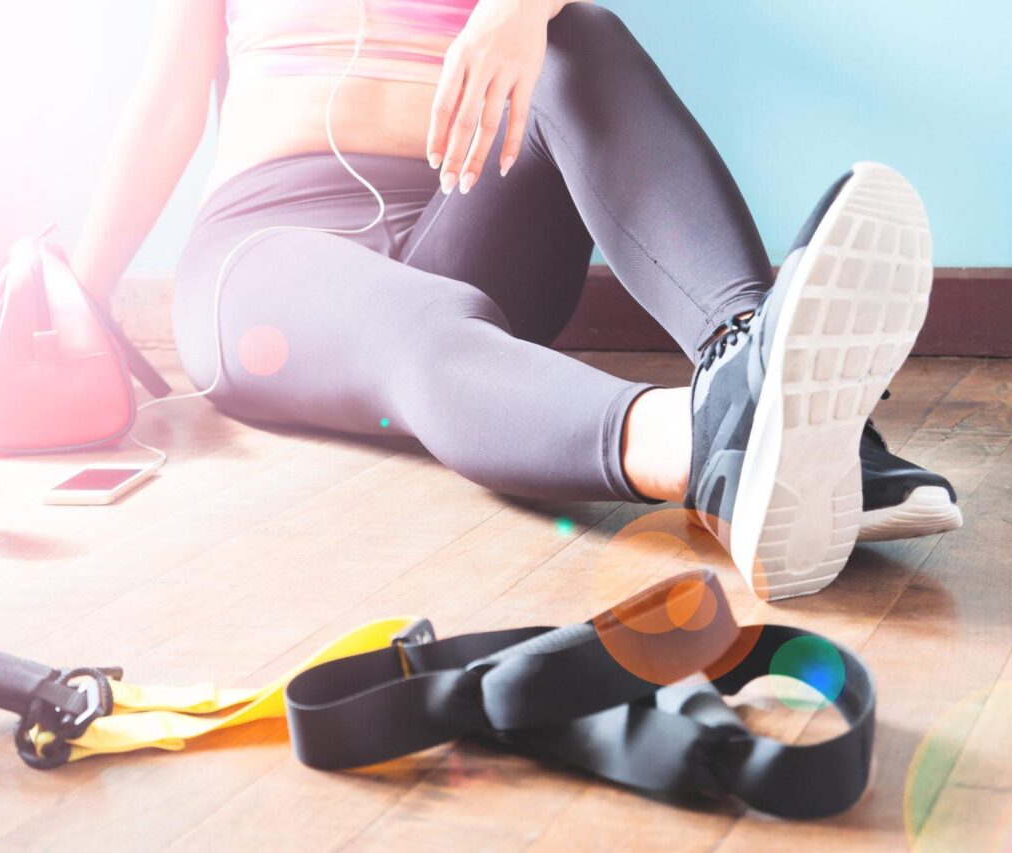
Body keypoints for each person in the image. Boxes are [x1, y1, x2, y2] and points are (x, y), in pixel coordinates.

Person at [65, 0, 960, 599]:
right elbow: (167, 99)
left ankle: (754, 366)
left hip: (470, 215)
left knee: (579, 31)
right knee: (411, 328)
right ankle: (715, 445)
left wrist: (519, 10)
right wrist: (70, 297)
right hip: (270, 249)